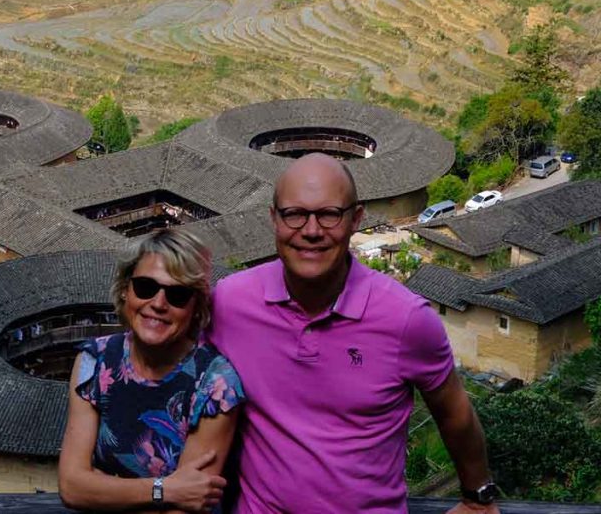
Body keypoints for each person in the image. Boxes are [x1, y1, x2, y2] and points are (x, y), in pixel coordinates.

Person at [209, 153, 500, 513]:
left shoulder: (406, 319)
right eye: (294, 214)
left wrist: (477, 498)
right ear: (274, 219)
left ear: (356, 219)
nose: (311, 230)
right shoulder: (231, 302)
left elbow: (454, 412)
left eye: (329, 214)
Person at [59, 228, 244, 513]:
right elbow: (72, 487)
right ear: (125, 290)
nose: (158, 304)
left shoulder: (216, 385)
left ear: (196, 307)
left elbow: (189, 506)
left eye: (178, 294)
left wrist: (102, 489)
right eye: (145, 287)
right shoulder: (95, 361)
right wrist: (166, 489)